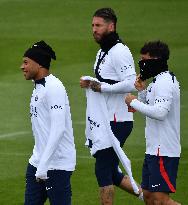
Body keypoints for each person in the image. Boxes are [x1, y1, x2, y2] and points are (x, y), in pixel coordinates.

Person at [80, 8, 143, 205]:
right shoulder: (102, 51)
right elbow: (102, 83)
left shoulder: (120, 51)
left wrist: (101, 87)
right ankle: (151, 198)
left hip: (118, 121)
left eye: (98, 25)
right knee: (111, 172)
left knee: (102, 169)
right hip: (105, 121)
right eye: (92, 25)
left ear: (111, 26)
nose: (94, 29)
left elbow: (132, 82)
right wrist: (91, 83)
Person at [125, 40, 181, 205]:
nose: (142, 65)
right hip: (153, 150)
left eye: (144, 60)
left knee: (160, 200)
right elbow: (150, 109)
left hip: (164, 150)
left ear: (156, 61)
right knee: (149, 196)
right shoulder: (157, 81)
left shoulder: (164, 82)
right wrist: (142, 92)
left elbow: (160, 112)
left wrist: (133, 102)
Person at [21, 40, 76, 205]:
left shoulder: (54, 87)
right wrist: (40, 163)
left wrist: (44, 165)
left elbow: (58, 129)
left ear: (39, 64)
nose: (21, 67)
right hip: (37, 162)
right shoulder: (37, 86)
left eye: (26, 62)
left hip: (57, 164)